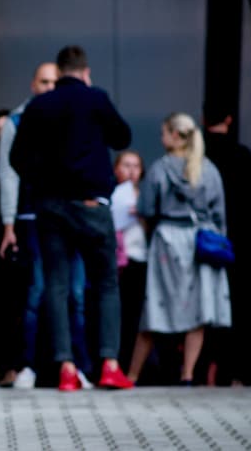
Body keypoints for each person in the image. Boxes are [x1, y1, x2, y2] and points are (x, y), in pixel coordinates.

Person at [10, 45, 134, 391]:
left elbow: (17, 158)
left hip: (51, 207)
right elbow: (123, 136)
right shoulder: (95, 98)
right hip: (91, 204)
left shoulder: (38, 105)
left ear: (61, 70)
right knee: (107, 283)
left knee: (56, 284)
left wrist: (44, 184)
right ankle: (109, 363)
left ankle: (65, 367)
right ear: (84, 71)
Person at [0, 62, 92, 389]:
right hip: (33, 217)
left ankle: (76, 366)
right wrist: (9, 222)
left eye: (55, 81)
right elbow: (7, 174)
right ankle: (29, 365)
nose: (50, 87)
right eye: (44, 81)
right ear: (33, 84)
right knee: (36, 292)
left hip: (70, 216)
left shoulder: (74, 114)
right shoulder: (18, 120)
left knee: (76, 294)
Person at [126, 112, 232, 385]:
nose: (161, 139)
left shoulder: (160, 168)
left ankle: (133, 374)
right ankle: (187, 375)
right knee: (198, 308)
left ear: (175, 136)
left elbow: (147, 208)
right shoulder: (208, 169)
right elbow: (219, 213)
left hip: (168, 241)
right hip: (202, 242)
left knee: (156, 305)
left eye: (163, 133)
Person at [202, 104, 251, 386]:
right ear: (230, 119)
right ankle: (235, 372)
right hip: (239, 241)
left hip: (205, 242)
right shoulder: (242, 155)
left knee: (205, 306)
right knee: (238, 305)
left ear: (203, 118)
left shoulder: (199, 156)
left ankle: (203, 371)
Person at [110, 150, 148, 371]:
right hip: (114, 263)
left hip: (137, 260)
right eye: (126, 165)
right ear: (116, 169)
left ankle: (128, 365)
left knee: (134, 315)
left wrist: (143, 214)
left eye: (136, 166)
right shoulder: (111, 196)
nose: (131, 171)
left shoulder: (146, 198)